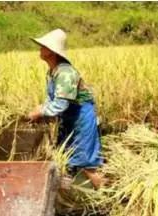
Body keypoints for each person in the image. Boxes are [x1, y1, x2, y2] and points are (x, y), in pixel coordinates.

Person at [27, 29, 103, 189]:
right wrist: (42, 108)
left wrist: (40, 111)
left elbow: (60, 105)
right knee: (65, 160)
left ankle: (108, 196)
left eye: (43, 46)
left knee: (86, 164)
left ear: (52, 52)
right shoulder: (53, 72)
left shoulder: (65, 73)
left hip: (81, 119)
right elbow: (52, 100)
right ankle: (70, 197)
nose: (40, 49)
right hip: (69, 119)